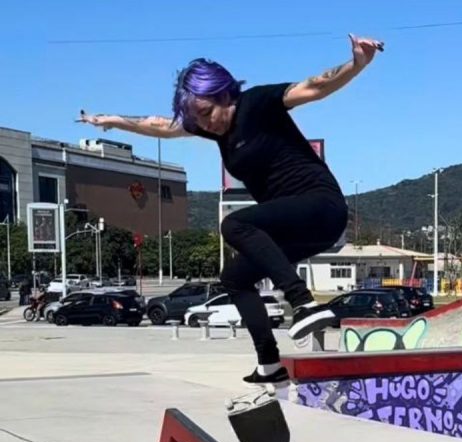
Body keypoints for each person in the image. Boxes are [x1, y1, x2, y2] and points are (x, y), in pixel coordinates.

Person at [78, 34, 384, 385]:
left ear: (225, 93)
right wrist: (114, 121)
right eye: (199, 121)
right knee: (235, 279)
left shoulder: (259, 102)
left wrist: (357, 64)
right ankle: (269, 363)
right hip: (295, 226)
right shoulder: (214, 130)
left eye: (208, 113)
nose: (207, 125)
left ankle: (304, 302)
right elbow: (163, 126)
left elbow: (316, 86)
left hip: (321, 206)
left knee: (235, 225)